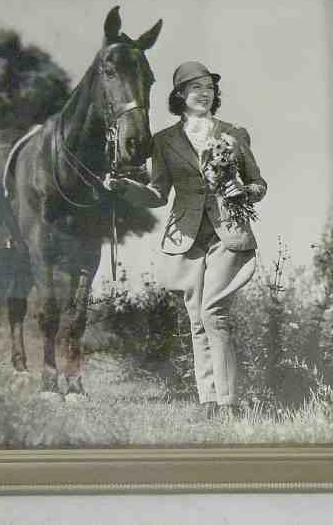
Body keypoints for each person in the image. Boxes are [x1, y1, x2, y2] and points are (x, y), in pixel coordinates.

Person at [110, 61, 266, 420]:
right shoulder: (164, 141)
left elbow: (260, 183)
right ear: (180, 96)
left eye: (209, 88)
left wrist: (243, 189)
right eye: (196, 88)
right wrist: (125, 189)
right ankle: (207, 401)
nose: (204, 93)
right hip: (186, 236)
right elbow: (158, 193)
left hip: (228, 232)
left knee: (214, 311)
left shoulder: (233, 134)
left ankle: (229, 404)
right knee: (197, 317)